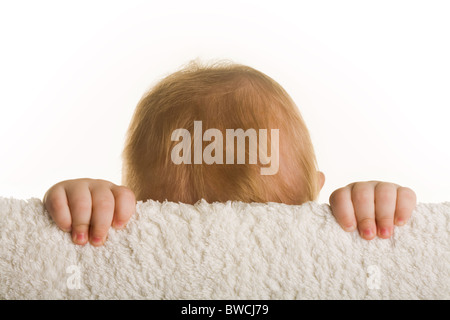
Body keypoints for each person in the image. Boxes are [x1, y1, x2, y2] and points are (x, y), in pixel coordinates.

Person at [43, 60, 417, 246]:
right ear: (130, 204)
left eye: (271, 228)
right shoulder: (116, 231)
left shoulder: (338, 241)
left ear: (319, 198)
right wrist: (87, 205)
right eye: (178, 225)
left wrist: (371, 207)